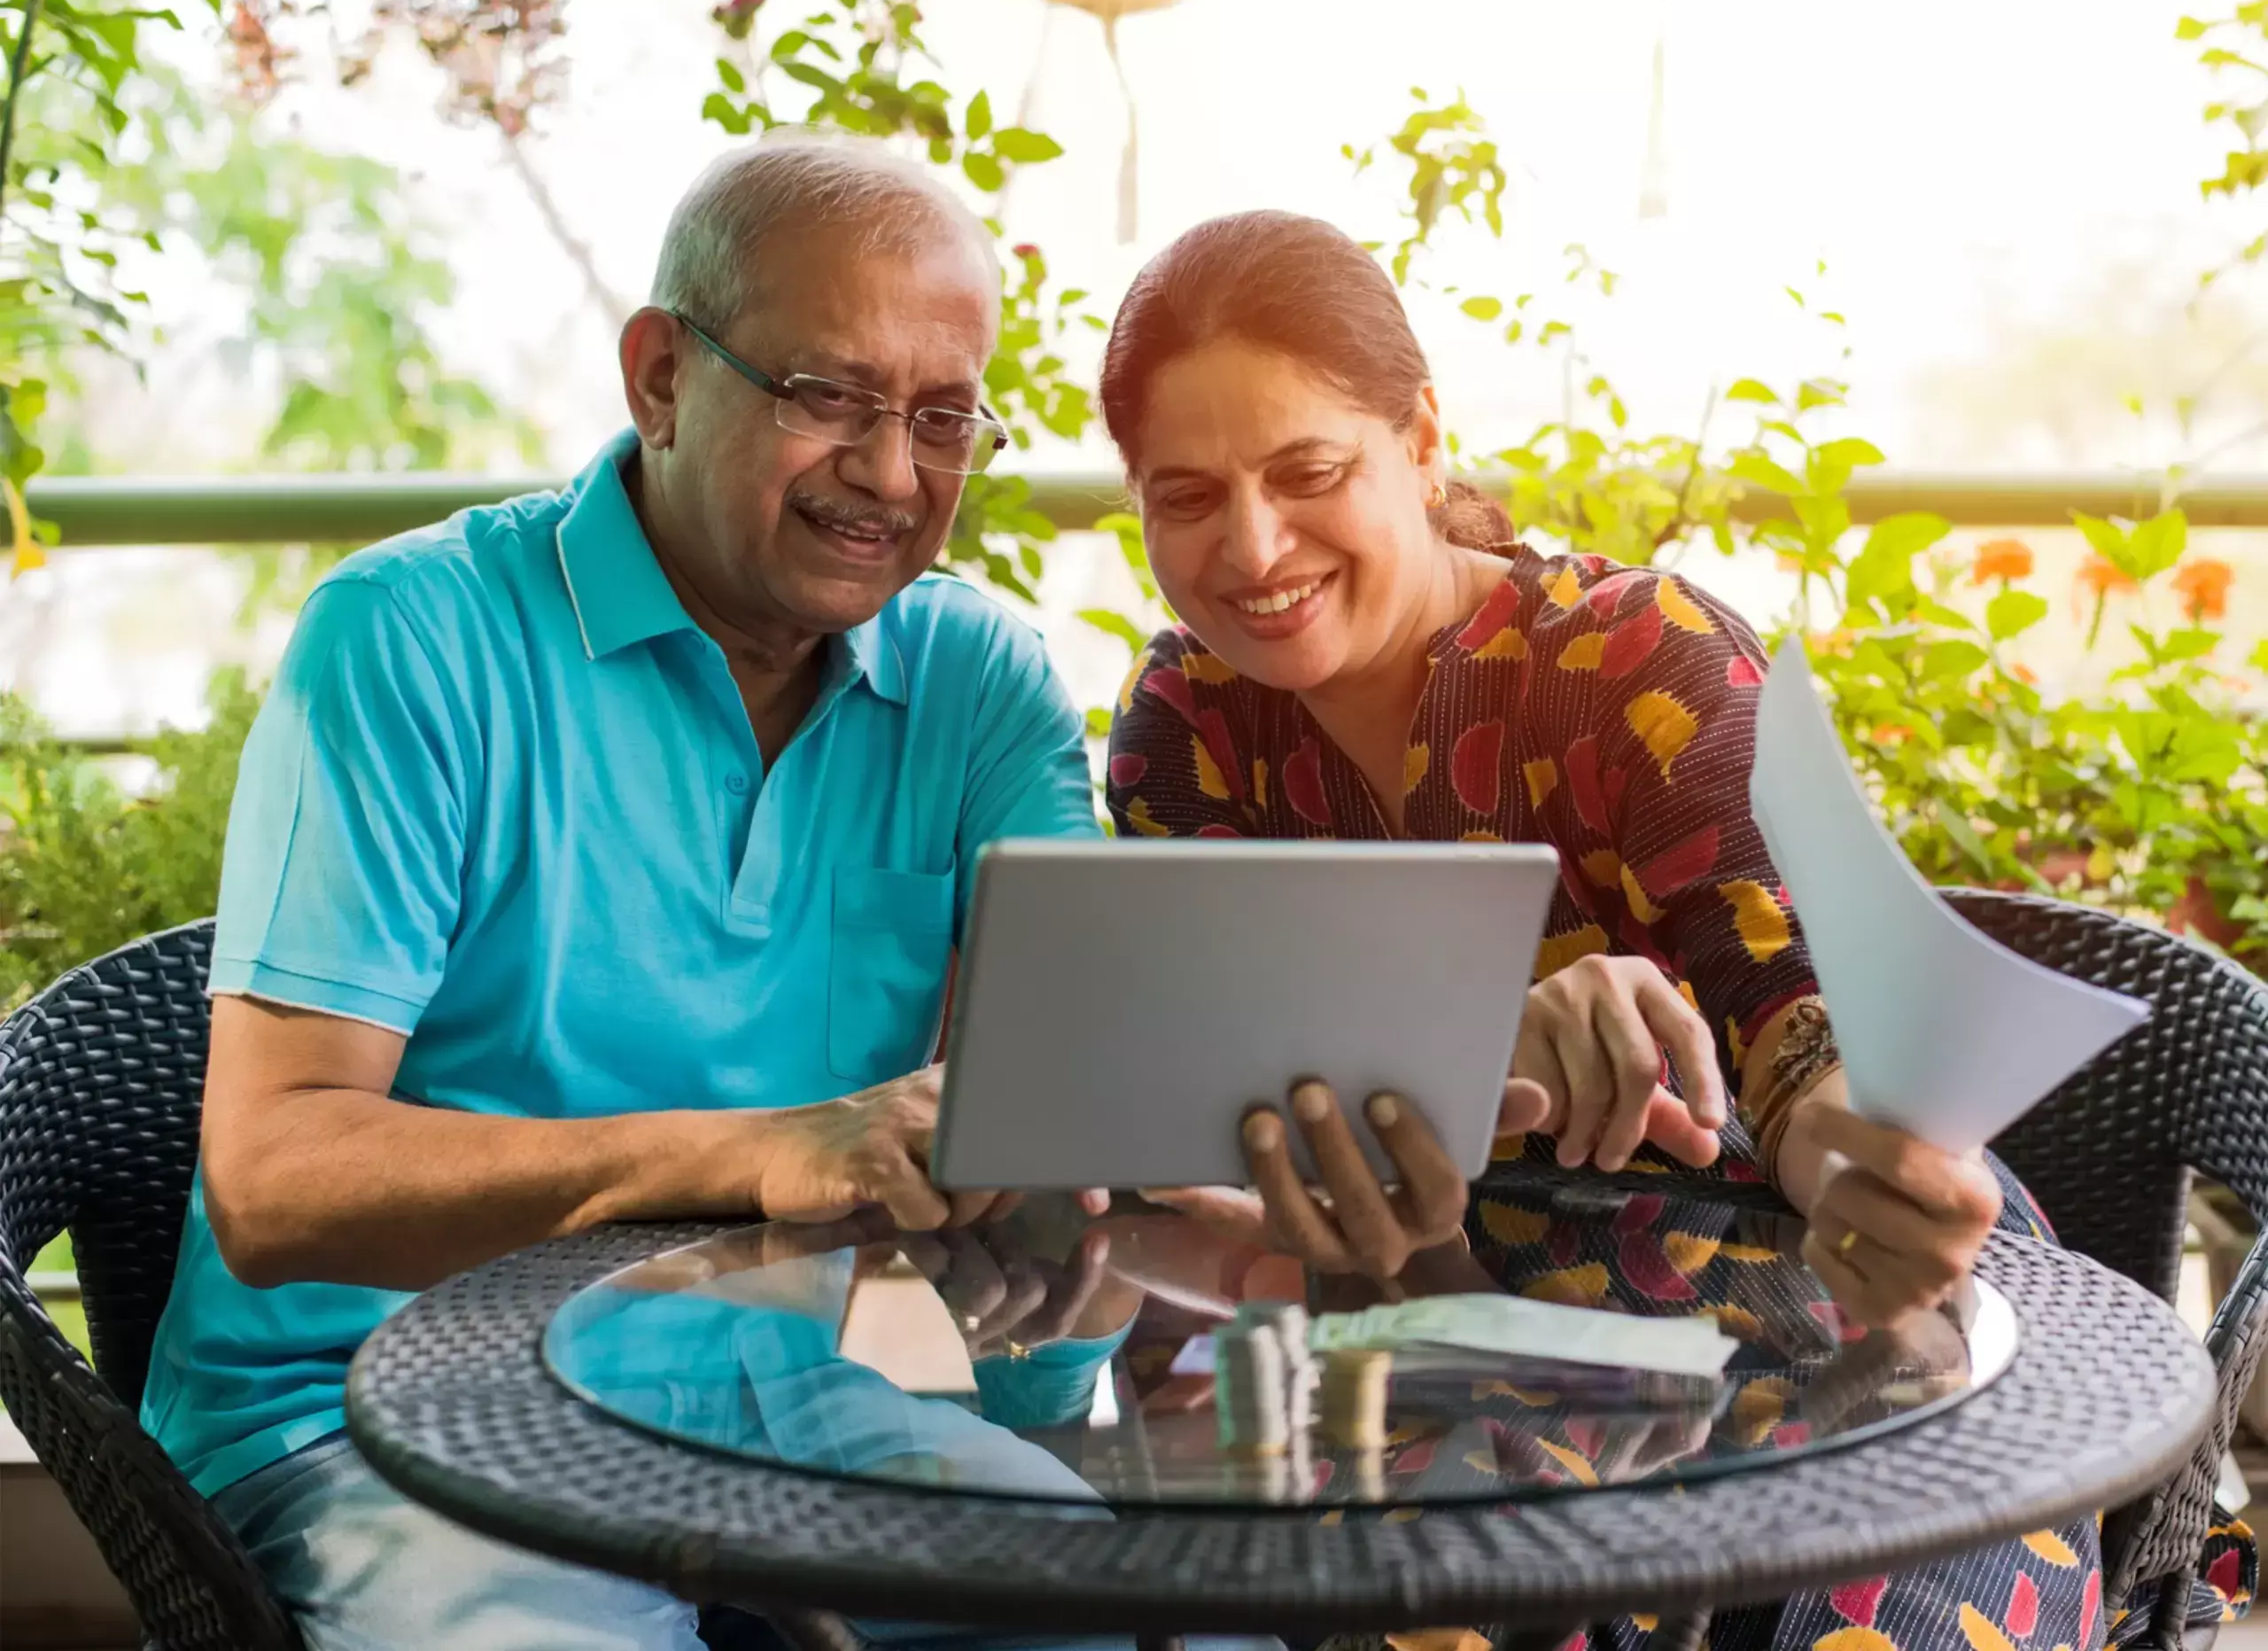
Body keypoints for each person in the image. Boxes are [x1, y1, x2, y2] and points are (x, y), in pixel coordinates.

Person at [1098, 210, 2253, 1647]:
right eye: (1186, 495)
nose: (1253, 546)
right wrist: (1465, 1045)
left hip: (1822, 1293)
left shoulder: (1637, 660)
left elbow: (1801, 1043)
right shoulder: (1191, 723)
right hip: (1453, 1327)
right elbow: (1220, 1093)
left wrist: (1874, 1168)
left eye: (1309, 473)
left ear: (1423, 439)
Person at [144, 133, 1138, 1651]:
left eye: (943, 418)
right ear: (661, 378)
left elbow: (1073, 1100)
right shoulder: (410, 638)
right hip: (375, 1405)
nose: (891, 475)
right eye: (827, 395)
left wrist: (1152, 1183)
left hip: (787, 1386)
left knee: (1143, 1624)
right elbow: (276, 1181)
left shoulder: (978, 681)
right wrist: (763, 1150)